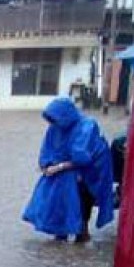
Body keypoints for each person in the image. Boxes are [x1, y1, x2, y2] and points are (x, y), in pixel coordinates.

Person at [22, 97, 115, 242]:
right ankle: (61, 235)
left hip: (91, 172)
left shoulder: (87, 126)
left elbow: (82, 157)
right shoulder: (55, 127)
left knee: (82, 204)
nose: (53, 123)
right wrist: (46, 166)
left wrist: (59, 167)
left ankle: (81, 237)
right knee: (56, 197)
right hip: (65, 171)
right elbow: (47, 150)